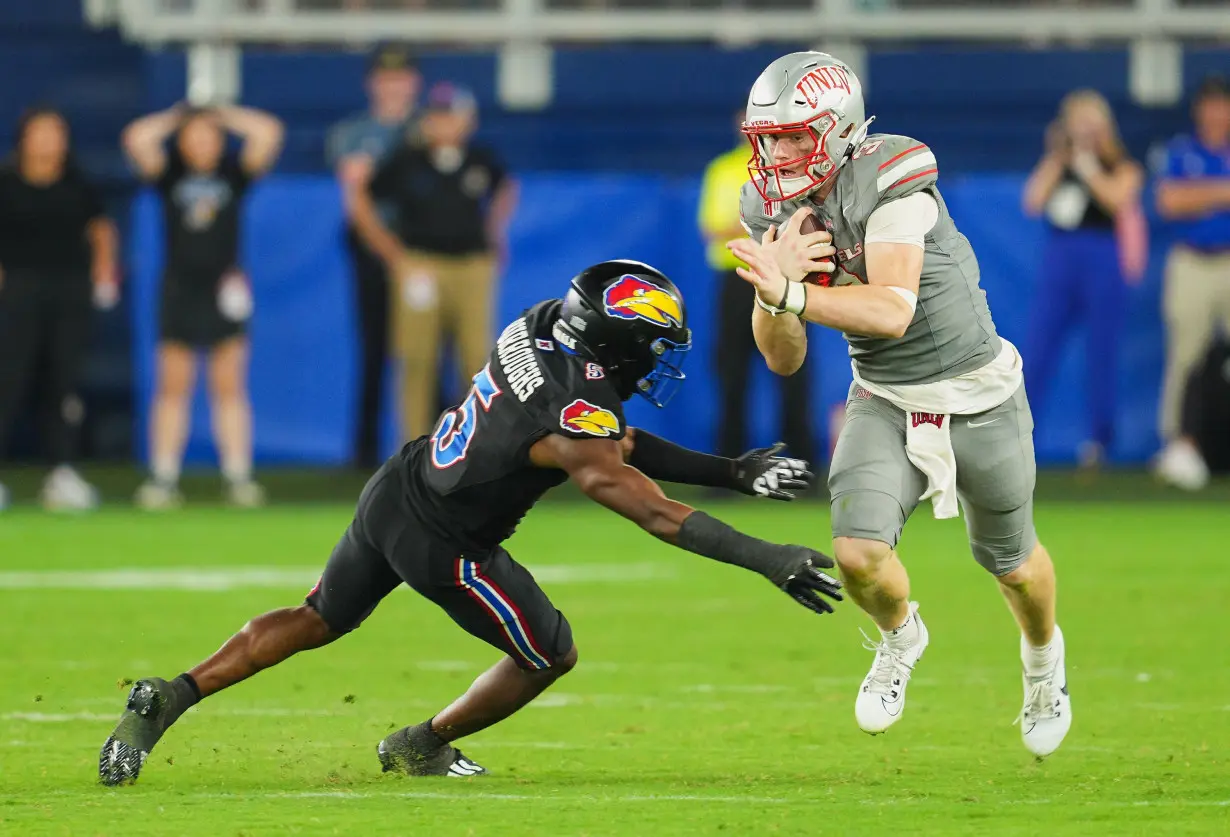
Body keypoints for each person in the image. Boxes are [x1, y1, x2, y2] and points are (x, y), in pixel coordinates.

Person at [97, 260, 841, 784]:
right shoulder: (574, 411)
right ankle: (422, 743)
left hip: (398, 486)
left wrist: (733, 470)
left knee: (316, 615)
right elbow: (653, 509)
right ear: (614, 341)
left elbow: (607, 436)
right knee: (549, 653)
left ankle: (171, 694)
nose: (652, 362)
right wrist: (767, 556)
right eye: (648, 346)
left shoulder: (543, 323)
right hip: (447, 543)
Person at [728, 52, 1070, 758]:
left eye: (795, 135)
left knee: (1012, 564)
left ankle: (1043, 664)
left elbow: (890, 308)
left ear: (842, 128)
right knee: (856, 553)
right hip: (883, 396)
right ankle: (900, 635)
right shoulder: (772, 205)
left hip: (979, 394)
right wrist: (772, 293)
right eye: (770, 137)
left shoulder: (893, 175)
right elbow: (783, 356)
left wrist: (794, 292)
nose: (779, 152)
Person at [121, 103, 284, 509]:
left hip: (224, 289)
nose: (201, 143)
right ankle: (163, 477)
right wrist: (179, 115)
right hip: (179, 288)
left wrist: (220, 113)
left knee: (229, 386)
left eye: (208, 136)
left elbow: (269, 131)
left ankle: (238, 476)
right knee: (172, 386)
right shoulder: (169, 175)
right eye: (193, 136)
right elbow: (136, 138)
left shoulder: (234, 175)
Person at [351, 82, 518, 443]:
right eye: (436, 117)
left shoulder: (480, 158)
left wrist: (495, 229)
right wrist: (393, 253)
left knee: (476, 358)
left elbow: (507, 187)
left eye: (450, 117)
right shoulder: (407, 159)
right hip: (421, 264)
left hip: (471, 265)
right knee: (416, 360)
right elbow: (362, 198)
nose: (443, 125)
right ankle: (413, 450)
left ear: (467, 121)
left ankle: (479, 447)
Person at [0, 107, 119, 512]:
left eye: (57, 133)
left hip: (68, 293)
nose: (50, 140)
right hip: (16, 292)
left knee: (63, 385)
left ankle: (61, 472)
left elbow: (101, 229)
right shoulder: (6, 181)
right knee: (8, 381)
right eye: (41, 132)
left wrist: (103, 272)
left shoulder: (77, 183)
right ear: (24, 138)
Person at [1021, 89, 1145, 471]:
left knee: (1101, 352)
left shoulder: (1122, 165)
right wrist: (1059, 156)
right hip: (1061, 259)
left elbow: (1116, 199)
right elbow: (1033, 201)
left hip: (1101, 259)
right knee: (1038, 348)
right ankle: (1021, 436)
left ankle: (1099, 442)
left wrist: (1090, 164)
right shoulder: (1060, 164)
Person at [698, 112, 816, 466]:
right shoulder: (723, 169)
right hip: (737, 279)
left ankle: (801, 464)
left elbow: (805, 222)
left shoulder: (794, 169)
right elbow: (714, 229)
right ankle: (730, 466)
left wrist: (751, 224)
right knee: (732, 373)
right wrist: (768, 223)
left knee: (793, 370)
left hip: (786, 275)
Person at [327, 44, 422, 469]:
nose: (393, 87)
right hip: (374, 248)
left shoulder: (427, 128)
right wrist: (389, 251)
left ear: (413, 83)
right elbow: (355, 197)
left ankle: (439, 445)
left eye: (400, 79)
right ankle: (364, 452)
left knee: (425, 349)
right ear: (372, 84)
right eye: (386, 79)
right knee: (375, 346)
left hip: (424, 248)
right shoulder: (352, 134)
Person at [1152, 75, 1230, 491]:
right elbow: (1169, 201)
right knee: (1186, 353)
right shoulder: (1183, 150)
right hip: (1193, 261)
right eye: (1211, 104)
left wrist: (1199, 195)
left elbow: (1187, 198)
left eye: (1224, 104)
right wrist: (1221, 192)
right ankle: (1179, 445)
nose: (1217, 113)